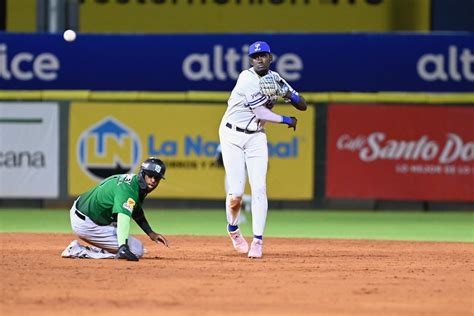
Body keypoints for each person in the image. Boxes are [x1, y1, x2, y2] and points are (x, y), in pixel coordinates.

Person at [219, 41, 307, 258]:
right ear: (251, 60)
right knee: (236, 192)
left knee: (259, 188)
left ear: (270, 58)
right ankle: (233, 229)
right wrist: (286, 119)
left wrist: (288, 93)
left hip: (256, 137)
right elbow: (260, 112)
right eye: (255, 56)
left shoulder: (276, 78)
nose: (259, 59)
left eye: (263, 55)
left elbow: (303, 104)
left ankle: (258, 240)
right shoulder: (245, 78)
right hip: (232, 135)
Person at [61, 157, 169, 261]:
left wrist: (150, 233)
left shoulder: (135, 184)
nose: (153, 180)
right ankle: (79, 250)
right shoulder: (128, 190)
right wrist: (123, 247)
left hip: (87, 211)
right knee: (137, 250)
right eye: (150, 175)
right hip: (87, 223)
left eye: (157, 178)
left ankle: (109, 247)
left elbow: (136, 211)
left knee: (121, 226)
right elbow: (123, 219)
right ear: (142, 173)